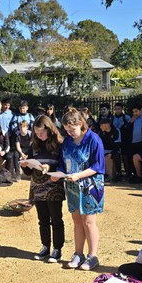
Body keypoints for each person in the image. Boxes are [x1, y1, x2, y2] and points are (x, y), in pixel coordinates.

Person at [54, 108, 105, 271]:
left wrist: (78, 175)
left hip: (91, 186)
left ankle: (92, 256)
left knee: (89, 222)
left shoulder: (94, 139)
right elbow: (63, 163)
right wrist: (57, 174)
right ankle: (78, 253)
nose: (70, 133)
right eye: (67, 130)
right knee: (77, 221)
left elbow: (98, 166)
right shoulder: (68, 142)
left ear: (80, 124)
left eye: (72, 129)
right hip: (72, 186)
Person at [20, 115, 66, 263]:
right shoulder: (34, 145)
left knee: (56, 219)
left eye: (42, 133)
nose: (39, 136)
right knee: (43, 220)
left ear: (49, 129)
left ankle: (57, 249)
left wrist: (49, 167)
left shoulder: (59, 144)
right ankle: (45, 246)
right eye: (36, 133)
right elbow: (29, 172)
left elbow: (63, 165)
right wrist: (25, 166)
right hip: (38, 187)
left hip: (54, 187)